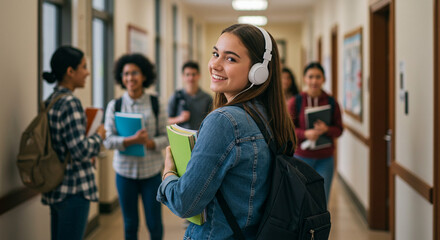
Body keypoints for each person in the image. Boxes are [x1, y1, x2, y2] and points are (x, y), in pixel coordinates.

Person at [157, 24, 296, 239]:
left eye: (230, 59)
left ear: (258, 72)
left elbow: (185, 204)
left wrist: (168, 174)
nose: (215, 64)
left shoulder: (223, 121)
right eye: (215, 54)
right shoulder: (269, 115)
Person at [41, 46, 106, 240]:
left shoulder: (51, 100)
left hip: (55, 186)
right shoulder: (71, 103)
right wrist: (99, 135)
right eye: (83, 67)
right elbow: (80, 151)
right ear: (70, 71)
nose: (87, 73)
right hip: (74, 189)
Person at [103, 53, 168, 240]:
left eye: (135, 73)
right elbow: (107, 140)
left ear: (144, 76)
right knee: (130, 224)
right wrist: (130, 141)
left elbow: (166, 136)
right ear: (121, 78)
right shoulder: (114, 105)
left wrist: (150, 143)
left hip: (152, 173)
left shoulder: (156, 103)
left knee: (154, 223)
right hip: (124, 174)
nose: (130, 77)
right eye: (126, 74)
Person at [287, 62, 343, 203]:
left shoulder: (331, 102)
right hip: (301, 158)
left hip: (325, 159)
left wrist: (327, 129)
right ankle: (302, 226)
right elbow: (288, 129)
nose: (314, 81)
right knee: (300, 200)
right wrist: (305, 134)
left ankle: (318, 226)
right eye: (310, 77)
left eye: (318, 77)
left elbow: (339, 129)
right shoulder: (296, 101)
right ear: (305, 79)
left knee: (321, 199)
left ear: (324, 79)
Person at [167, 61, 213, 130]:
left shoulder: (207, 98)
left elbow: (210, 122)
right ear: (183, 76)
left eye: (193, 74)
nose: (191, 78)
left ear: (199, 76)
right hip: (180, 138)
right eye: (187, 74)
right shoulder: (176, 96)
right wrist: (180, 118)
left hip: (200, 138)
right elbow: (168, 121)